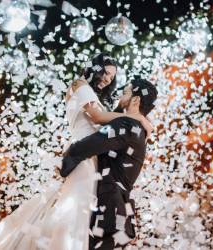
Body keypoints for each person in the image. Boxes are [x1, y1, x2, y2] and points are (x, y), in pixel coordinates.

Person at [0, 53, 153, 250]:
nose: (107, 79)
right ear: (94, 68)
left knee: (80, 210)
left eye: (112, 77)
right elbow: (96, 117)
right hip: (83, 155)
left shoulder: (95, 96)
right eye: (105, 72)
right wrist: (138, 118)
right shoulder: (80, 84)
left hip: (91, 157)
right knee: (75, 208)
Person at [60, 77, 158, 249]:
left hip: (109, 215)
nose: (120, 96)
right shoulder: (136, 128)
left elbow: (87, 146)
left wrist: (64, 166)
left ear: (135, 99)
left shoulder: (128, 125)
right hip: (116, 216)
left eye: (125, 92)